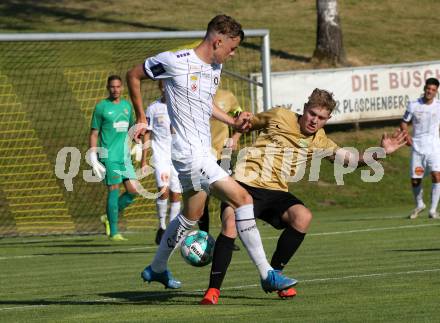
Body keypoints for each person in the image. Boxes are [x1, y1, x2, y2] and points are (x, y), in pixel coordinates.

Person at [126, 14, 297, 293]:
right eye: (231, 48)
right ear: (217, 41)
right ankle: (268, 275)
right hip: (189, 154)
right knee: (242, 199)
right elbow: (133, 74)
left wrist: (231, 121)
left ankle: (156, 268)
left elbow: (205, 103)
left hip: (200, 151)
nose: (232, 54)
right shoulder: (175, 61)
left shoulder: (215, 67)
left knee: (191, 215)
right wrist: (142, 117)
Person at [200, 88, 408, 304]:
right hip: (244, 182)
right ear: (305, 108)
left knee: (303, 217)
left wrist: (381, 152)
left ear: (328, 119)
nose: (314, 121)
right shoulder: (280, 115)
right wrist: (235, 135)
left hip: (276, 191)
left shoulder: (321, 141)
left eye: (321, 118)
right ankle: (213, 291)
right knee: (230, 223)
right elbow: (248, 124)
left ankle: (275, 275)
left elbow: (351, 160)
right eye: (312, 114)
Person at [89, 75, 138, 241]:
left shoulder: (126, 106)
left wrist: (137, 143)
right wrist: (93, 157)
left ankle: (108, 217)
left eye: (118, 87)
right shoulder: (101, 107)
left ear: (122, 88)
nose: (115, 90)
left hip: (124, 157)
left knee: (133, 191)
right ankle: (114, 232)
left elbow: (131, 128)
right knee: (114, 190)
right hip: (109, 156)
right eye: (112, 87)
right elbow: (94, 133)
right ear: (107, 88)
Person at [199, 89, 242, 252]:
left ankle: (228, 237)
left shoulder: (228, 96)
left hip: (223, 154)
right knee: (202, 198)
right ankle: (203, 240)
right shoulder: (196, 93)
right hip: (202, 155)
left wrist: (235, 138)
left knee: (229, 197)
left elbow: (242, 117)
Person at [141, 81, 182, 245]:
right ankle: (162, 226)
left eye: (169, 85)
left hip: (178, 157)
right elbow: (146, 134)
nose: (166, 88)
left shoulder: (180, 106)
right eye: (163, 85)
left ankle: (171, 230)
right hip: (160, 157)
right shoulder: (153, 108)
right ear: (160, 87)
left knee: (176, 194)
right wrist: (144, 159)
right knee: (163, 191)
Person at [400, 78, 440, 219]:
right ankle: (420, 204)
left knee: (437, 175)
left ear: (436, 91)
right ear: (424, 89)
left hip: (434, 147)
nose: (430, 91)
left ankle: (433, 210)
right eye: (428, 88)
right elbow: (404, 122)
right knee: (416, 179)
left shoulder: (439, 106)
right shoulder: (414, 105)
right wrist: (406, 135)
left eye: (433, 89)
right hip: (417, 147)